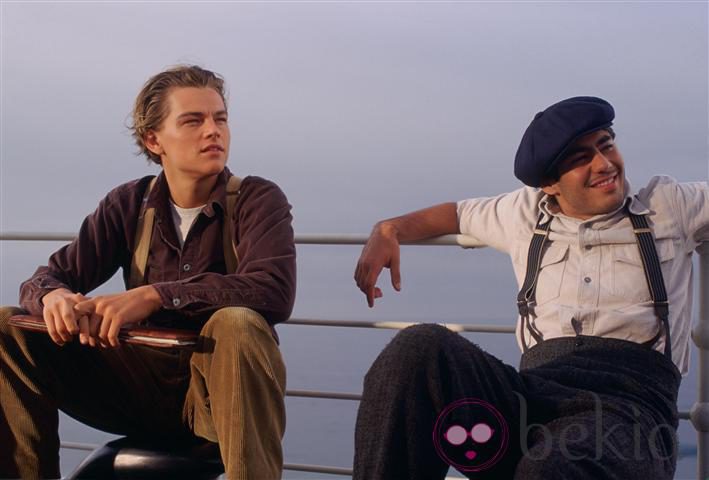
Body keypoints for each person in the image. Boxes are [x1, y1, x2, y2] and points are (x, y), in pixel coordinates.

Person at [352, 96, 709, 479]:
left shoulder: (668, 205)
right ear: (549, 185)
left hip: (629, 414)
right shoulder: (523, 214)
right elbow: (456, 214)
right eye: (580, 158)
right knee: (418, 347)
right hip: (530, 400)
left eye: (606, 145)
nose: (604, 164)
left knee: (552, 465)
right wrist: (388, 229)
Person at [0, 65, 296, 480]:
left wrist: (154, 295)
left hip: (217, 398)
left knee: (237, 323)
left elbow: (273, 290)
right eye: (193, 121)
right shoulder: (129, 203)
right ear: (153, 140)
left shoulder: (257, 199)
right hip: (136, 393)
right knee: (7, 325)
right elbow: (48, 276)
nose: (213, 131)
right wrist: (56, 298)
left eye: (220, 119)